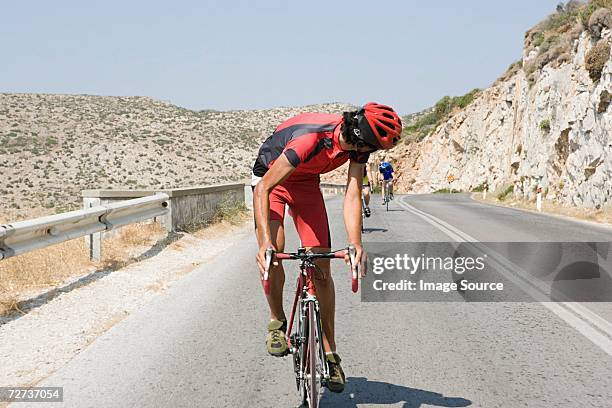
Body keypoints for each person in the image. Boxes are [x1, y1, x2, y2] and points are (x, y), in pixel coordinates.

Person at [252, 102, 402, 393]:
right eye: (371, 147)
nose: (369, 153)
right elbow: (264, 189)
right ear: (359, 137)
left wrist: (355, 243)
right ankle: (276, 322)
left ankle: (331, 354)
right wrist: (265, 244)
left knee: (321, 267)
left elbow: (352, 194)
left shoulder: (358, 148)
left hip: (305, 183)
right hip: (271, 179)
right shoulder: (310, 141)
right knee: (273, 255)